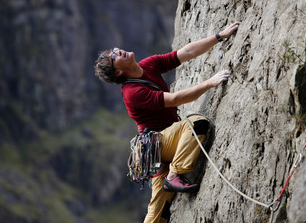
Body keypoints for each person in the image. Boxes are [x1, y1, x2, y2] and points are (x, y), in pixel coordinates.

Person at [94, 22, 240, 223]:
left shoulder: (148, 65)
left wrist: (219, 36)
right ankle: (175, 174)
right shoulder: (132, 93)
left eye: (115, 51)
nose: (118, 51)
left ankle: (172, 175)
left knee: (158, 213)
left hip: (161, 148)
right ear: (118, 72)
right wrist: (210, 82)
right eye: (114, 57)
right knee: (196, 124)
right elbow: (174, 100)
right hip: (159, 146)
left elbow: (186, 52)